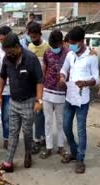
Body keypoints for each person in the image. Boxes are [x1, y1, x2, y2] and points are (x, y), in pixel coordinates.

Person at [0, 32, 43, 172]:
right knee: (13, 132)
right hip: (14, 102)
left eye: (10, 51)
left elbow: (39, 81)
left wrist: (39, 100)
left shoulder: (31, 59)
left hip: (29, 101)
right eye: (6, 52)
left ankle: (28, 154)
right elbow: (2, 77)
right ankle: (8, 162)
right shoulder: (7, 59)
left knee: (27, 132)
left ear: (17, 47)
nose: (8, 54)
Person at [59, 26, 99, 174]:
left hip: (83, 99)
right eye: (70, 43)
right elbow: (64, 69)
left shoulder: (92, 56)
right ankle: (74, 152)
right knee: (66, 126)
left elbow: (96, 79)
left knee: (81, 130)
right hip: (70, 97)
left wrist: (86, 83)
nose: (71, 45)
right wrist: (62, 77)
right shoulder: (70, 54)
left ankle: (80, 159)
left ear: (82, 41)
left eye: (74, 43)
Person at [39, 29, 69, 159]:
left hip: (62, 93)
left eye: (56, 46)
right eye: (52, 46)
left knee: (60, 121)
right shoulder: (47, 52)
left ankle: (61, 147)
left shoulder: (69, 54)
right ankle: (49, 147)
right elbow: (44, 69)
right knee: (48, 121)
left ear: (62, 43)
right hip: (47, 92)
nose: (54, 49)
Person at [27, 22, 50, 154]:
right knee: (34, 113)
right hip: (31, 86)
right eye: (31, 37)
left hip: (44, 86)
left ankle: (40, 138)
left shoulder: (47, 47)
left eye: (35, 37)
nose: (33, 39)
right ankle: (37, 138)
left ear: (40, 35)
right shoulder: (29, 46)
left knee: (41, 113)